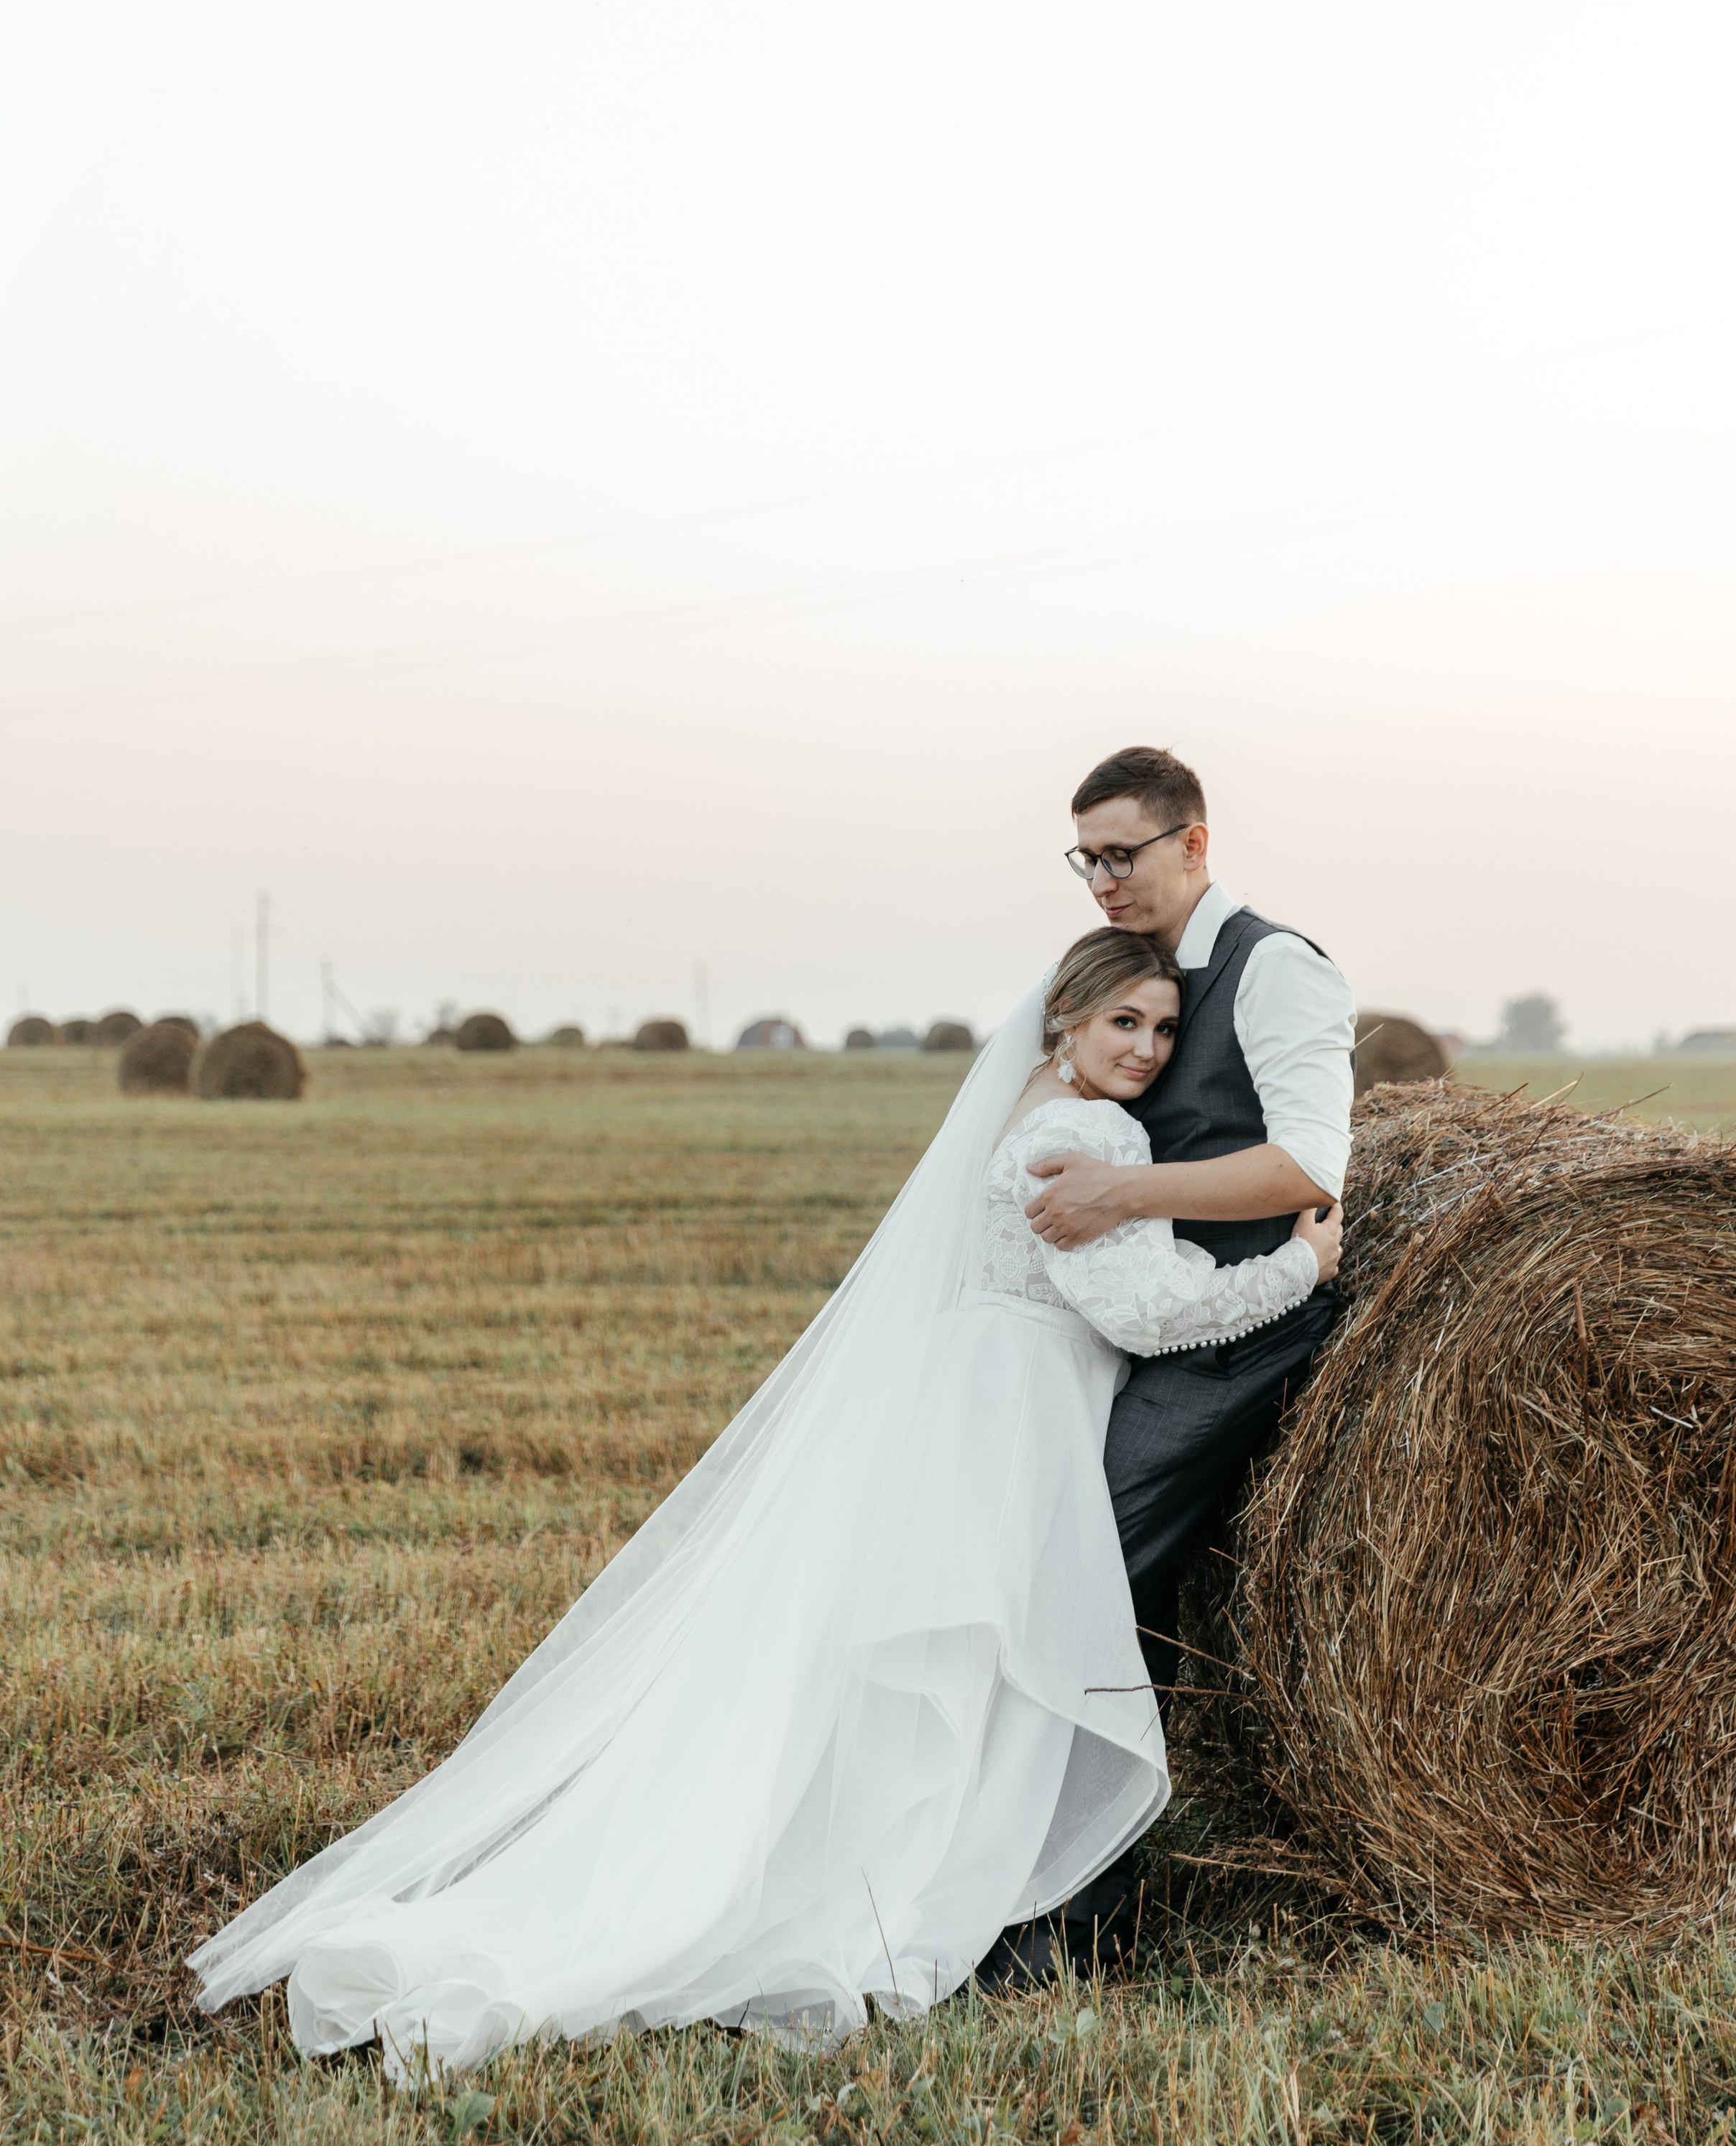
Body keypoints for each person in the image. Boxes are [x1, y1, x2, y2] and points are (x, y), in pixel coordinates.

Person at [189, 928, 1339, 2081]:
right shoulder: (1090, 1131)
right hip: (1018, 1416)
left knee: (949, 1668)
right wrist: (1297, 1269)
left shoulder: (1037, 1103)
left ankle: (909, 1866)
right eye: (1120, 1024)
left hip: (975, 1399)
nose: (1144, 1049)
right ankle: (915, 1890)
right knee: (991, 1665)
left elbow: (1125, 1281)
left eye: (1161, 1028)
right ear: (1064, 1025)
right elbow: (1145, 1314)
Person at [984, 744, 1354, 1989]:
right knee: (1074, 1578)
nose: (1101, 878)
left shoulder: (1278, 971)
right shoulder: (1144, 980)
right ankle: (1057, 1891)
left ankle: (1075, 1928)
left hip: (1246, 1327)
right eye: (1086, 857)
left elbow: (1311, 1167)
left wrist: (1120, 1190)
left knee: (1088, 1573)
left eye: (1124, 853)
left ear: (1195, 843)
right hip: (1162, 1315)